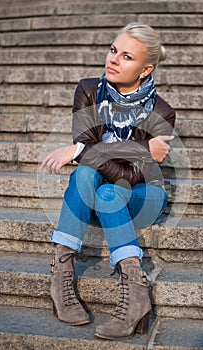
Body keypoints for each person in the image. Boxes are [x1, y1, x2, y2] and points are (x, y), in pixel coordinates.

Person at [41, 22, 175, 340]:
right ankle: (61, 277)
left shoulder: (162, 111)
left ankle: (134, 295)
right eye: (113, 50)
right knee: (87, 175)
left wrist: (84, 151)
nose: (113, 59)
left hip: (146, 194)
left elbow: (133, 176)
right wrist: (142, 148)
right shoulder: (88, 90)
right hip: (96, 186)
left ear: (146, 69)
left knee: (110, 191)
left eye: (126, 56)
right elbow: (89, 158)